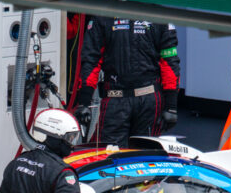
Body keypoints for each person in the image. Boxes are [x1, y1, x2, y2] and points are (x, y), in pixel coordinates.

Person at [73, 16, 181, 147]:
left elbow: (169, 62)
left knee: (145, 156)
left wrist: (171, 106)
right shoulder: (102, 17)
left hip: (147, 101)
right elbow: (91, 61)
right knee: (109, 154)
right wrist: (84, 101)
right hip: (117, 99)